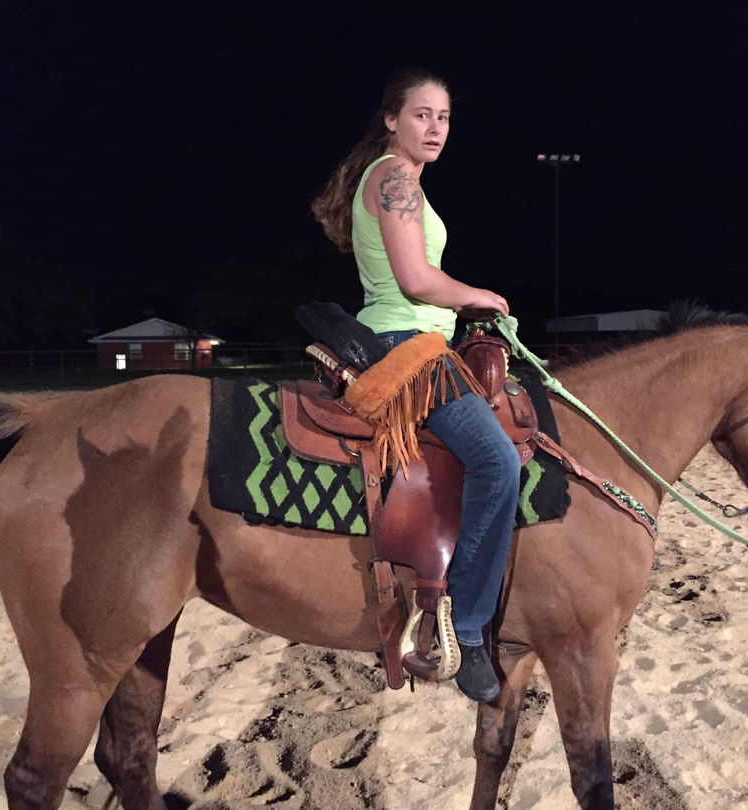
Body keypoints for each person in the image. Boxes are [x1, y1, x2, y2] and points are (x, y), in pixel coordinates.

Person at [312, 69, 520, 703]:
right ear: (391, 120)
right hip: (407, 346)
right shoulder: (394, 178)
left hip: (426, 340)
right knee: (498, 460)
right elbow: (414, 279)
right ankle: (469, 629)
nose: (435, 128)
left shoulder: (399, 180)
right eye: (421, 115)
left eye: (443, 117)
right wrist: (482, 296)